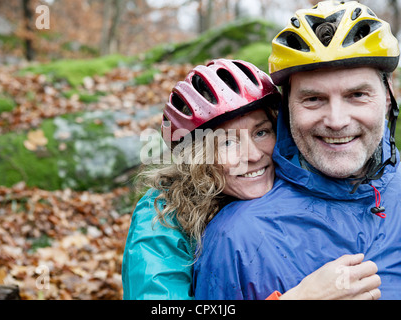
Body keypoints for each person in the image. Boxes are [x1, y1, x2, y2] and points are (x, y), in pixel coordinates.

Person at [193, 0, 401, 300]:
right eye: (313, 99)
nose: (337, 122)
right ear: (287, 108)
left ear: (388, 98)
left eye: (357, 95)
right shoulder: (236, 237)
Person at [122, 58, 381, 300]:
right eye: (226, 142)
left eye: (261, 132)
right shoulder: (161, 220)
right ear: (195, 157)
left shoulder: (298, 176)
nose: (253, 155)